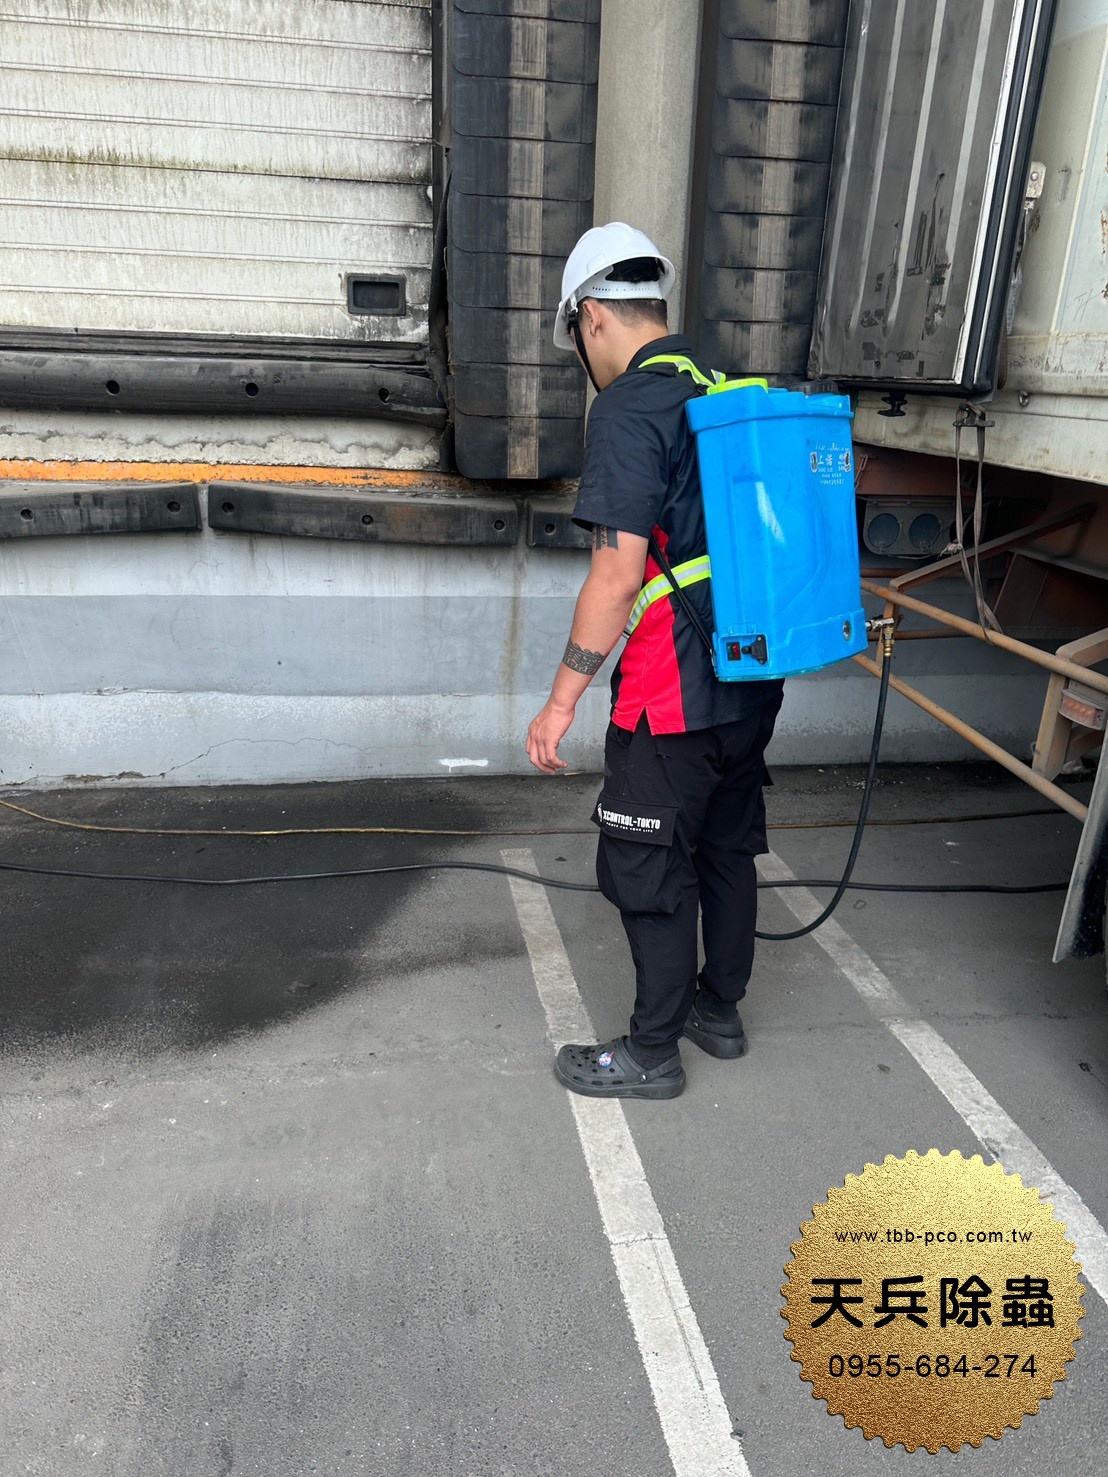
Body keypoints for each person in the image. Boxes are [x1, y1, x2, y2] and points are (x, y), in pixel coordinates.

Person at [525, 221, 784, 1101]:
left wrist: (561, 701)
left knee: (648, 864)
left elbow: (616, 573)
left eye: (576, 335)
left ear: (592, 317)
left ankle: (650, 1052)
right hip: (752, 676)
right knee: (725, 846)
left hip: (671, 691)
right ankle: (720, 1010)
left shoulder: (631, 408)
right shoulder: (729, 389)